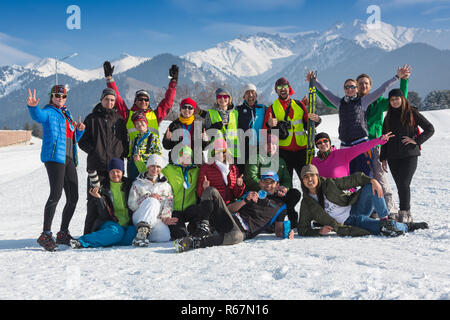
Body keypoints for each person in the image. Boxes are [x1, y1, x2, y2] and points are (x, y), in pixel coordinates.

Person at [174, 172, 294, 253]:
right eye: (265, 181)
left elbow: (279, 231)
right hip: (230, 219)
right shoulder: (251, 194)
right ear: (260, 183)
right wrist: (245, 201)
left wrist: (289, 232)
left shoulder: (281, 206)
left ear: (277, 185)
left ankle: (195, 243)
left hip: (243, 231)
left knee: (236, 237)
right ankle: (204, 227)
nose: (268, 185)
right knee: (210, 190)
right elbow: (230, 209)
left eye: (271, 182)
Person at [27, 87, 85, 251]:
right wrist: (33, 107)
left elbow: (72, 138)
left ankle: (63, 233)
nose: (60, 98)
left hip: (69, 158)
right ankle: (46, 234)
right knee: (56, 194)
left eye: (63, 96)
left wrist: (80, 131)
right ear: (52, 97)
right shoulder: (49, 112)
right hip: (54, 158)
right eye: (57, 95)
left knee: (73, 196)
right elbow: (38, 116)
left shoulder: (67, 114)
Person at [297, 164, 428, 237]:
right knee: (387, 229)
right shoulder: (307, 203)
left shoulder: (329, 183)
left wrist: (372, 180)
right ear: (302, 181)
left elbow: (354, 179)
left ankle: (384, 218)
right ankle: (406, 226)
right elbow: (303, 229)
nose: (309, 179)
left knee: (371, 187)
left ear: (317, 176)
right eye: (306, 177)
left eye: (312, 176)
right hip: (350, 222)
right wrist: (319, 231)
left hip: (356, 207)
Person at [103, 61, 177, 173]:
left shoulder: (154, 115)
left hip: (152, 161)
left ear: (149, 102)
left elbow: (167, 103)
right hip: (134, 159)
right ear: (135, 101)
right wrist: (109, 79)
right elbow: (117, 99)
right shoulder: (128, 115)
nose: (143, 101)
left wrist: (173, 82)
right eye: (140, 99)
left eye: (146, 99)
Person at [78, 88, 128, 235]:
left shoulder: (119, 120)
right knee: (94, 201)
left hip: (115, 171)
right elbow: (81, 141)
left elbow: (125, 141)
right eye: (107, 99)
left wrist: (121, 154)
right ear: (101, 100)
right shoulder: (92, 119)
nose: (109, 102)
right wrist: (94, 151)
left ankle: (112, 232)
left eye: (112, 100)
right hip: (96, 169)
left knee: (114, 202)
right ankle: (88, 234)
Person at [380, 89, 435, 223]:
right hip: (393, 156)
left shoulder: (412, 112)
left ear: (402, 99)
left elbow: (430, 128)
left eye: (397, 98)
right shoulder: (387, 117)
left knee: (404, 183)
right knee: (400, 185)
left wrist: (416, 140)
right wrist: (383, 158)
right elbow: (384, 139)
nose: (394, 101)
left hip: (409, 155)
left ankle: (405, 213)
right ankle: (403, 213)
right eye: (392, 100)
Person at [263, 77, 321, 183]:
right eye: (279, 87)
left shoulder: (299, 104)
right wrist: (269, 125)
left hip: (303, 150)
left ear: (289, 88)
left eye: (285, 86)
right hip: (284, 152)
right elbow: (264, 131)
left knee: (308, 182)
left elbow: (308, 125)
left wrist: (317, 120)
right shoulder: (272, 108)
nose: (282, 89)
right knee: (286, 184)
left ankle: (311, 199)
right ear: (276, 90)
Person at [70, 158, 137, 249]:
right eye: (112, 171)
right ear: (108, 173)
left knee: (132, 235)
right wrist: (99, 199)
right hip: (110, 223)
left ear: (122, 172)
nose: (115, 174)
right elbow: (104, 214)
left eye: (118, 171)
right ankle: (82, 241)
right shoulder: (103, 187)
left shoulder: (130, 185)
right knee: (116, 232)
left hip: (127, 224)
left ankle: (107, 240)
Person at [244, 134, 299, 228]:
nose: (271, 146)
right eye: (267, 144)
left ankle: (290, 221)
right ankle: (268, 222)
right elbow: (251, 177)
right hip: (260, 192)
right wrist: (266, 187)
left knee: (294, 194)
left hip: (275, 191)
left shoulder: (280, 161)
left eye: (273, 144)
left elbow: (287, 179)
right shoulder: (256, 158)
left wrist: (284, 188)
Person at [128, 154, 175, 247]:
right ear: (148, 167)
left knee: (164, 236)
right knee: (152, 201)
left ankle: (144, 235)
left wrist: (165, 217)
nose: (155, 169)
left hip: (156, 218)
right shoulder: (138, 183)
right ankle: (141, 234)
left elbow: (169, 203)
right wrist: (147, 197)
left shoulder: (166, 186)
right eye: (152, 166)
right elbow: (131, 205)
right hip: (139, 216)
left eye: (158, 166)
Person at [311, 132, 393, 179]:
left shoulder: (341, 154)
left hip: (344, 194)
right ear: (317, 146)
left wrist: (379, 140)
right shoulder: (314, 161)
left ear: (329, 142)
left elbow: (360, 148)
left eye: (325, 141)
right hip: (327, 198)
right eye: (319, 142)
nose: (323, 144)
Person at [162, 146, 201, 240]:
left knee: (198, 232)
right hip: (175, 210)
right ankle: (182, 230)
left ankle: (192, 227)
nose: (185, 160)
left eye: (188, 157)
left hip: (190, 209)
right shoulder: (169, 169)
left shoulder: (196, 170)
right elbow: (153, 171)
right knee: (180, 235)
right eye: (182, 157)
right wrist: (138, 162)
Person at [197, 138, 246, 205]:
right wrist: (204, 188)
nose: (221, 154)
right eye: (218, 151)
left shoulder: (233, 168)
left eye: (223, 151)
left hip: (229, 204)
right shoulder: (206, 167)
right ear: (214, 152)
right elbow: (200, 194)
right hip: (214, 205)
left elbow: (236, 195)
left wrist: (239, 186)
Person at [163, 97, 208, 165]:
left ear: (194, 110)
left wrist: (205, 141)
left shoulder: (199, 125)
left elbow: (204, 148)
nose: (187, 110)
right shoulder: (174, 125)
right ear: (180, 109)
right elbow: (167, 146)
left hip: (196, 163)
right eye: (184, 107)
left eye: (190, 108)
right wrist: (167, 139)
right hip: (177, 162)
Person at [235, 83, 267, 173]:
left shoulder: (263, 108)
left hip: (259, 146)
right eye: (247, 93)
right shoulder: (238, 109)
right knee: (243, 172)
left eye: (253, 92)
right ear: (243, 96)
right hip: (244, 147)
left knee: (257, 172)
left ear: (256, 95)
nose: (251, 95)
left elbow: (277, 111)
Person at [203, 88, 240, 164]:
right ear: (216, 100)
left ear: (229, 99)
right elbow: (206, 133)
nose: (222, 99)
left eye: (225, 96)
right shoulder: (210, 113)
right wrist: (214, 127)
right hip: (217, 152)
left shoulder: (236, 113)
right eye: (219, 97)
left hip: (233, 152)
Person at [128, 110, 163, 181]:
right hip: (134, 170)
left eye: (141, 122)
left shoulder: (153, 137)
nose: (139, 124)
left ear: (146, 123)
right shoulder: (135, 139)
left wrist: (141, 157)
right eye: (137, 123)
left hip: (147, 171)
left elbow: (158, 155)